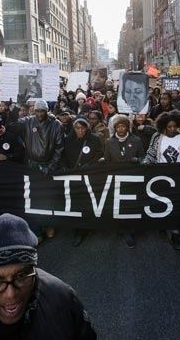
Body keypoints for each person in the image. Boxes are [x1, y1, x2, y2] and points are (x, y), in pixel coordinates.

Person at [142, 111, 180, 250]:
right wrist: (146, 161)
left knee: (177, 205)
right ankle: (162, 225)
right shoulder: (157, 137)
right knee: (163, 204)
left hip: (179, 176)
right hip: (161, 176)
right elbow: (151, 153)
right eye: (169, 127)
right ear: (163, 126)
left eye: (174, 126)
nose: (172, 129)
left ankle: (175, 235)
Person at [13, 99, 64, 241]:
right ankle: (36, 229)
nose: (39, 113)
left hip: (48, 166)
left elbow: (60, 147)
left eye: (42, 110)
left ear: (47, 110)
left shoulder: (56, 125)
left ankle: (49, 225)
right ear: (33, 111)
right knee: (33, 198)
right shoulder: (28, 121)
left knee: (48, 198)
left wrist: (51, 166)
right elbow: (12, 126)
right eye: (37, 111)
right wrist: (16, 107)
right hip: (31, 165)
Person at [102, 115, 145, 248]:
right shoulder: (109, 142)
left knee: (129, 206)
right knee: (117, 205)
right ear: (115, 128)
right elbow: (107, 160)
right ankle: (119, 227)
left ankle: (129, 231)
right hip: (115, 179)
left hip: (132, 179)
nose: (121, 129)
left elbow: (143, 156)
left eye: (123, 126)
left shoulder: (136, 140)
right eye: (118, 127)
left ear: (127, 127)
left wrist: (138, 160)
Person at [63, 117, 103, 247]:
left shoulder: (94, 139)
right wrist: (67, 169)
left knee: (88, 202)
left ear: (87, 127)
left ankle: (88, 227)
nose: (80, 130)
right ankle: (78, 230)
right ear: (73, 128)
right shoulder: (68, 139)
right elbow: (63, 156)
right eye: (77, 128)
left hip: (89, 176)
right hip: (73, 176)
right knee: (76, 203)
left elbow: (100, 154)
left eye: (82, 127)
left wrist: (89, 165)